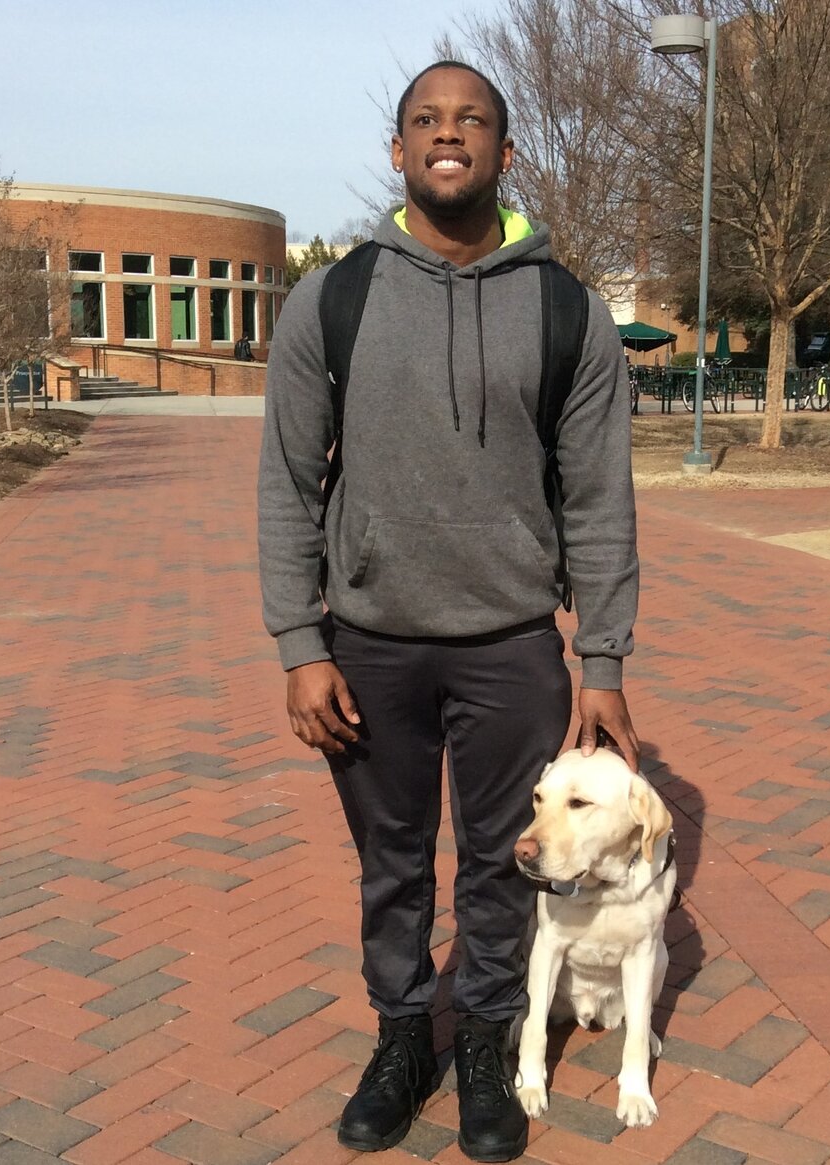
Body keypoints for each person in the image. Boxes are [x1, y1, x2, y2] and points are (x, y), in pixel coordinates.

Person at [258, 60, 639, 1162]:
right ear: (398, 151)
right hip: (367, 644)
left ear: (504, 154)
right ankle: (398, 1035)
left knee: (496, 861)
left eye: (471, 119)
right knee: (389, 861)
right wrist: (299, 642)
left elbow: (600, 496)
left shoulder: (565, 307)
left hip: (513, 647)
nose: (447, 134)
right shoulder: (334, 297)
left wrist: (601, 657)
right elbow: (286, 481)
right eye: (425, 119)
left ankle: (482, 1036)